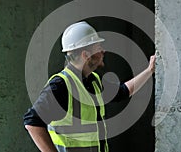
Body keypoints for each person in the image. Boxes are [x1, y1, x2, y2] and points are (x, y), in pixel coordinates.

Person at [23, 21, 156, 152]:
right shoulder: (61, 86)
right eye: (98, 47)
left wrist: (149, 70)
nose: (103, 51)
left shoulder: (93, 81)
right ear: (86, 55)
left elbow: (123, 91)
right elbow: (32, 123)